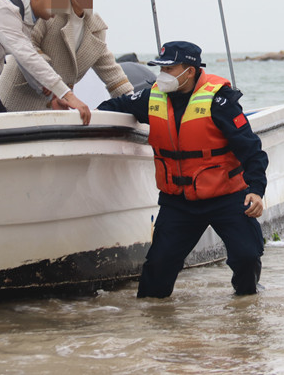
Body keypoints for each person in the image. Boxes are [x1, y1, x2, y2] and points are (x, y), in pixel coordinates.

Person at [97, 41, 268, 298]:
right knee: (157, 273)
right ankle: (156, 327)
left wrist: (256, 190)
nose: (162, 75)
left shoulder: (220, 101)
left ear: (189, 71)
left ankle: (246, 310)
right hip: (179, 201)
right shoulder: (152, 97)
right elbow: (110, 108)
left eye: (169, 69)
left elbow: (251, 149)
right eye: (160, 68)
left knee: (246, 258)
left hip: (226, 196)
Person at [0, 0, 133, 111]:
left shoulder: (96, 28)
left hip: (56, 112)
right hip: (18, 103)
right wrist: (56, 86)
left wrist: (135, 102)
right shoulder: (48, 11)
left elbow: (113, 75)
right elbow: (27, 45)